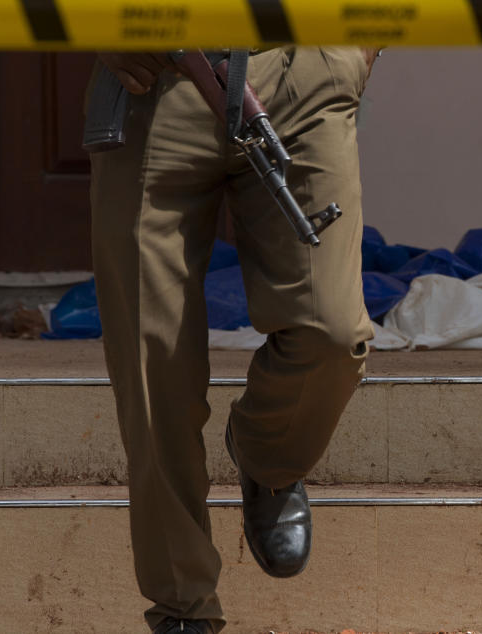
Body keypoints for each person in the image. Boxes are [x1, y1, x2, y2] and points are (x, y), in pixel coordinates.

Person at [89, 46, 377, 633]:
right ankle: (183, 610)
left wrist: (355, 45)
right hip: (155, 74)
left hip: (301, 65)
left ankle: (270, 455)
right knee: (153, 371)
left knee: (333, 332)